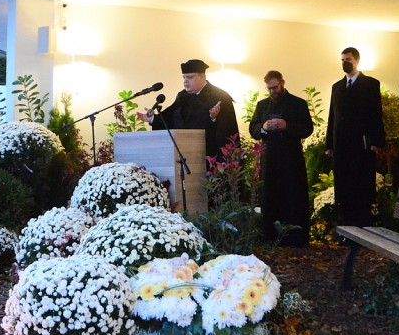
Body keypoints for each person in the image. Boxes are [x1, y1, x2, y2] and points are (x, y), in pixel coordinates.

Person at [249, 71, 314, 246]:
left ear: (282, 83)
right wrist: (263, 126)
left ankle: (295, 238)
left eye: (275, 87)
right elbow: (253, 129)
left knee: (292, 196)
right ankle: (270, 237)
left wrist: (287, 126)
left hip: (291, 160)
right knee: (270, 197)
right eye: (269, 88)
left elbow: (307, 128)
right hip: (269, 159)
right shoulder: (262, 105)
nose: (272, 92)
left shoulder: (298, 103)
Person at [325, 47, 385, 227]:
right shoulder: (337, 87)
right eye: (343, 60)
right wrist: (329, 145)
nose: (345, 63)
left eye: (348, 60)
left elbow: (376, 114)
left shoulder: (370, 84)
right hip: (341, 146)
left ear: (356, 61)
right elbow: (332, 117)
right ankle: (346, 226)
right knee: (344, 188)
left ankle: (363, 225)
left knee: (361, 186)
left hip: (361, 145)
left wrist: (377, 141)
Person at [138, 58, 239, 163]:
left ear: (202, 77)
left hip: (209, 156)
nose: (185, 81)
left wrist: (214, 119)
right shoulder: (183, 96)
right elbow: (170, 117)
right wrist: (153, 119)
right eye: (184, 77)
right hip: (185, 154)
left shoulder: (220, 96)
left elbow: (226, 130)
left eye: (190, 77)